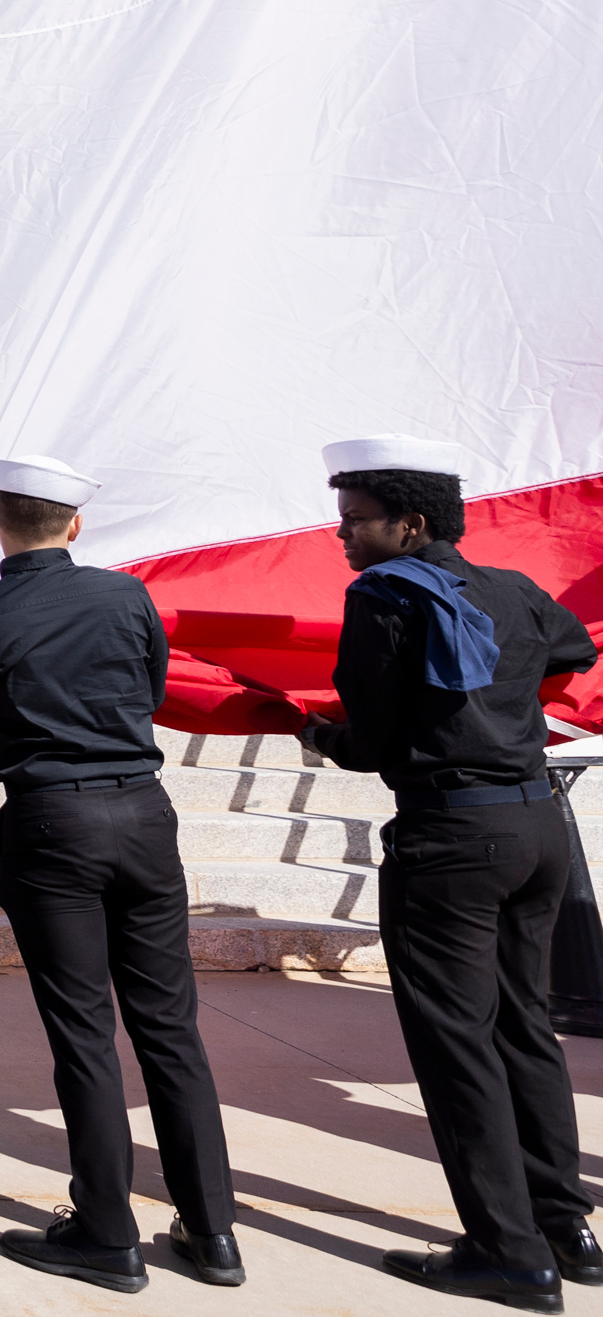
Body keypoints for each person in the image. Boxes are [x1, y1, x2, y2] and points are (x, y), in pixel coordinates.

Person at [0, 453, 241, 1293]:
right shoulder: (125, 595)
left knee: (85, 1033)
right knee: (171, 1029)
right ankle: (212, 1233)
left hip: (51, 820)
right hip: (142, 811)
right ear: (76, 524)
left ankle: (106, 1233)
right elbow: (153, 684)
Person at [300, 435, 597, 1313]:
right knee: (525, 1029)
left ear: (410, 524)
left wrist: (322, 737)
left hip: (452, 841)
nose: (343, 536)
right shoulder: (510, 588)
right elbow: (573, 652)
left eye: (355, 521)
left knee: (458, 1043)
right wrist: (497, 705)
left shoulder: (383, 597)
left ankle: (507, 1253)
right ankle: (566, 1228)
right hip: (537, 826)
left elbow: (377, 739)